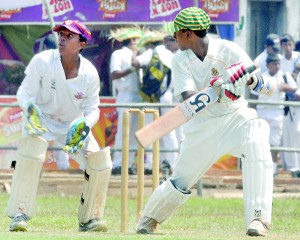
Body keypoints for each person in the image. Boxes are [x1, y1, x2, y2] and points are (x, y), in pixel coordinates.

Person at [136, 7, 274, 237]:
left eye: (177, 33)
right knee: (181, 178)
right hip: (202, 126)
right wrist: (216, 91)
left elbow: (265, 88)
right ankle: (150, 218)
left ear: (189, 34)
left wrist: (249, 80)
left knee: (257, 136)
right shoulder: (180, 59)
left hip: (235, 118)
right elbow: (188, 98)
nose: (174, 37)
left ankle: (258, 219)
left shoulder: (230, 50)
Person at [7, 20, 112, 232]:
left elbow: (93, 109)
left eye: (69, 35)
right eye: (61, 34)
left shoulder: (90, 73)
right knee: (29, 156)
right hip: (41, 118)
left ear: (82, 44)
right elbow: (24, 93)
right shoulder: (42, 61)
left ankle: (90, 218)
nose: (62, 38)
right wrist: (29, 108)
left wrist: (84, 124)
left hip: (71, 125)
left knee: (100, 163)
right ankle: (19, 213)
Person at [131, 29, 179, 175]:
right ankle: (172, 164)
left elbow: (135, 63)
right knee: (169, 131)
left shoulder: (151, 52)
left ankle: (150, 164)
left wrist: (135, 51)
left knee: (150, 129)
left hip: (151, 97)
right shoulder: (171, 56)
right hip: (167, 97)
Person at [109, 27, 144, 175]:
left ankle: (129, 164)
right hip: (125, 95)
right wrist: (132, 68)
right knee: (124, 131)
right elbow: (114, 74)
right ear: (132, 40)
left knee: (135, 132)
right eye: (137, 40)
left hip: (139, 96)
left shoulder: (139, 55)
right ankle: (117, 164)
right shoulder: (118, 53)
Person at [256, 54, 297, 176]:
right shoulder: (262, 77)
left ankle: (273, 169)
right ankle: (261, 167)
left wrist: (285, 87)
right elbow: (254, 94)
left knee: (275, 142)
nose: (277, 66)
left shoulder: (285, 76)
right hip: (262, 111)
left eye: (278, 63)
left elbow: (295, 88)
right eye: (274, 64)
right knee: (261, 141)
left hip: (277, 112)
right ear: (268, 65)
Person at [280, 34, 300, 171]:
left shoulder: (298, 58)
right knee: (285, 135)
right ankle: (290, 167)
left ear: (293, 45)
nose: (287, 48)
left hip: (297, 97)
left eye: (289, 44)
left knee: (297, 132)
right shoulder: (279, 61)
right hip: (284, 100)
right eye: (285, 45)